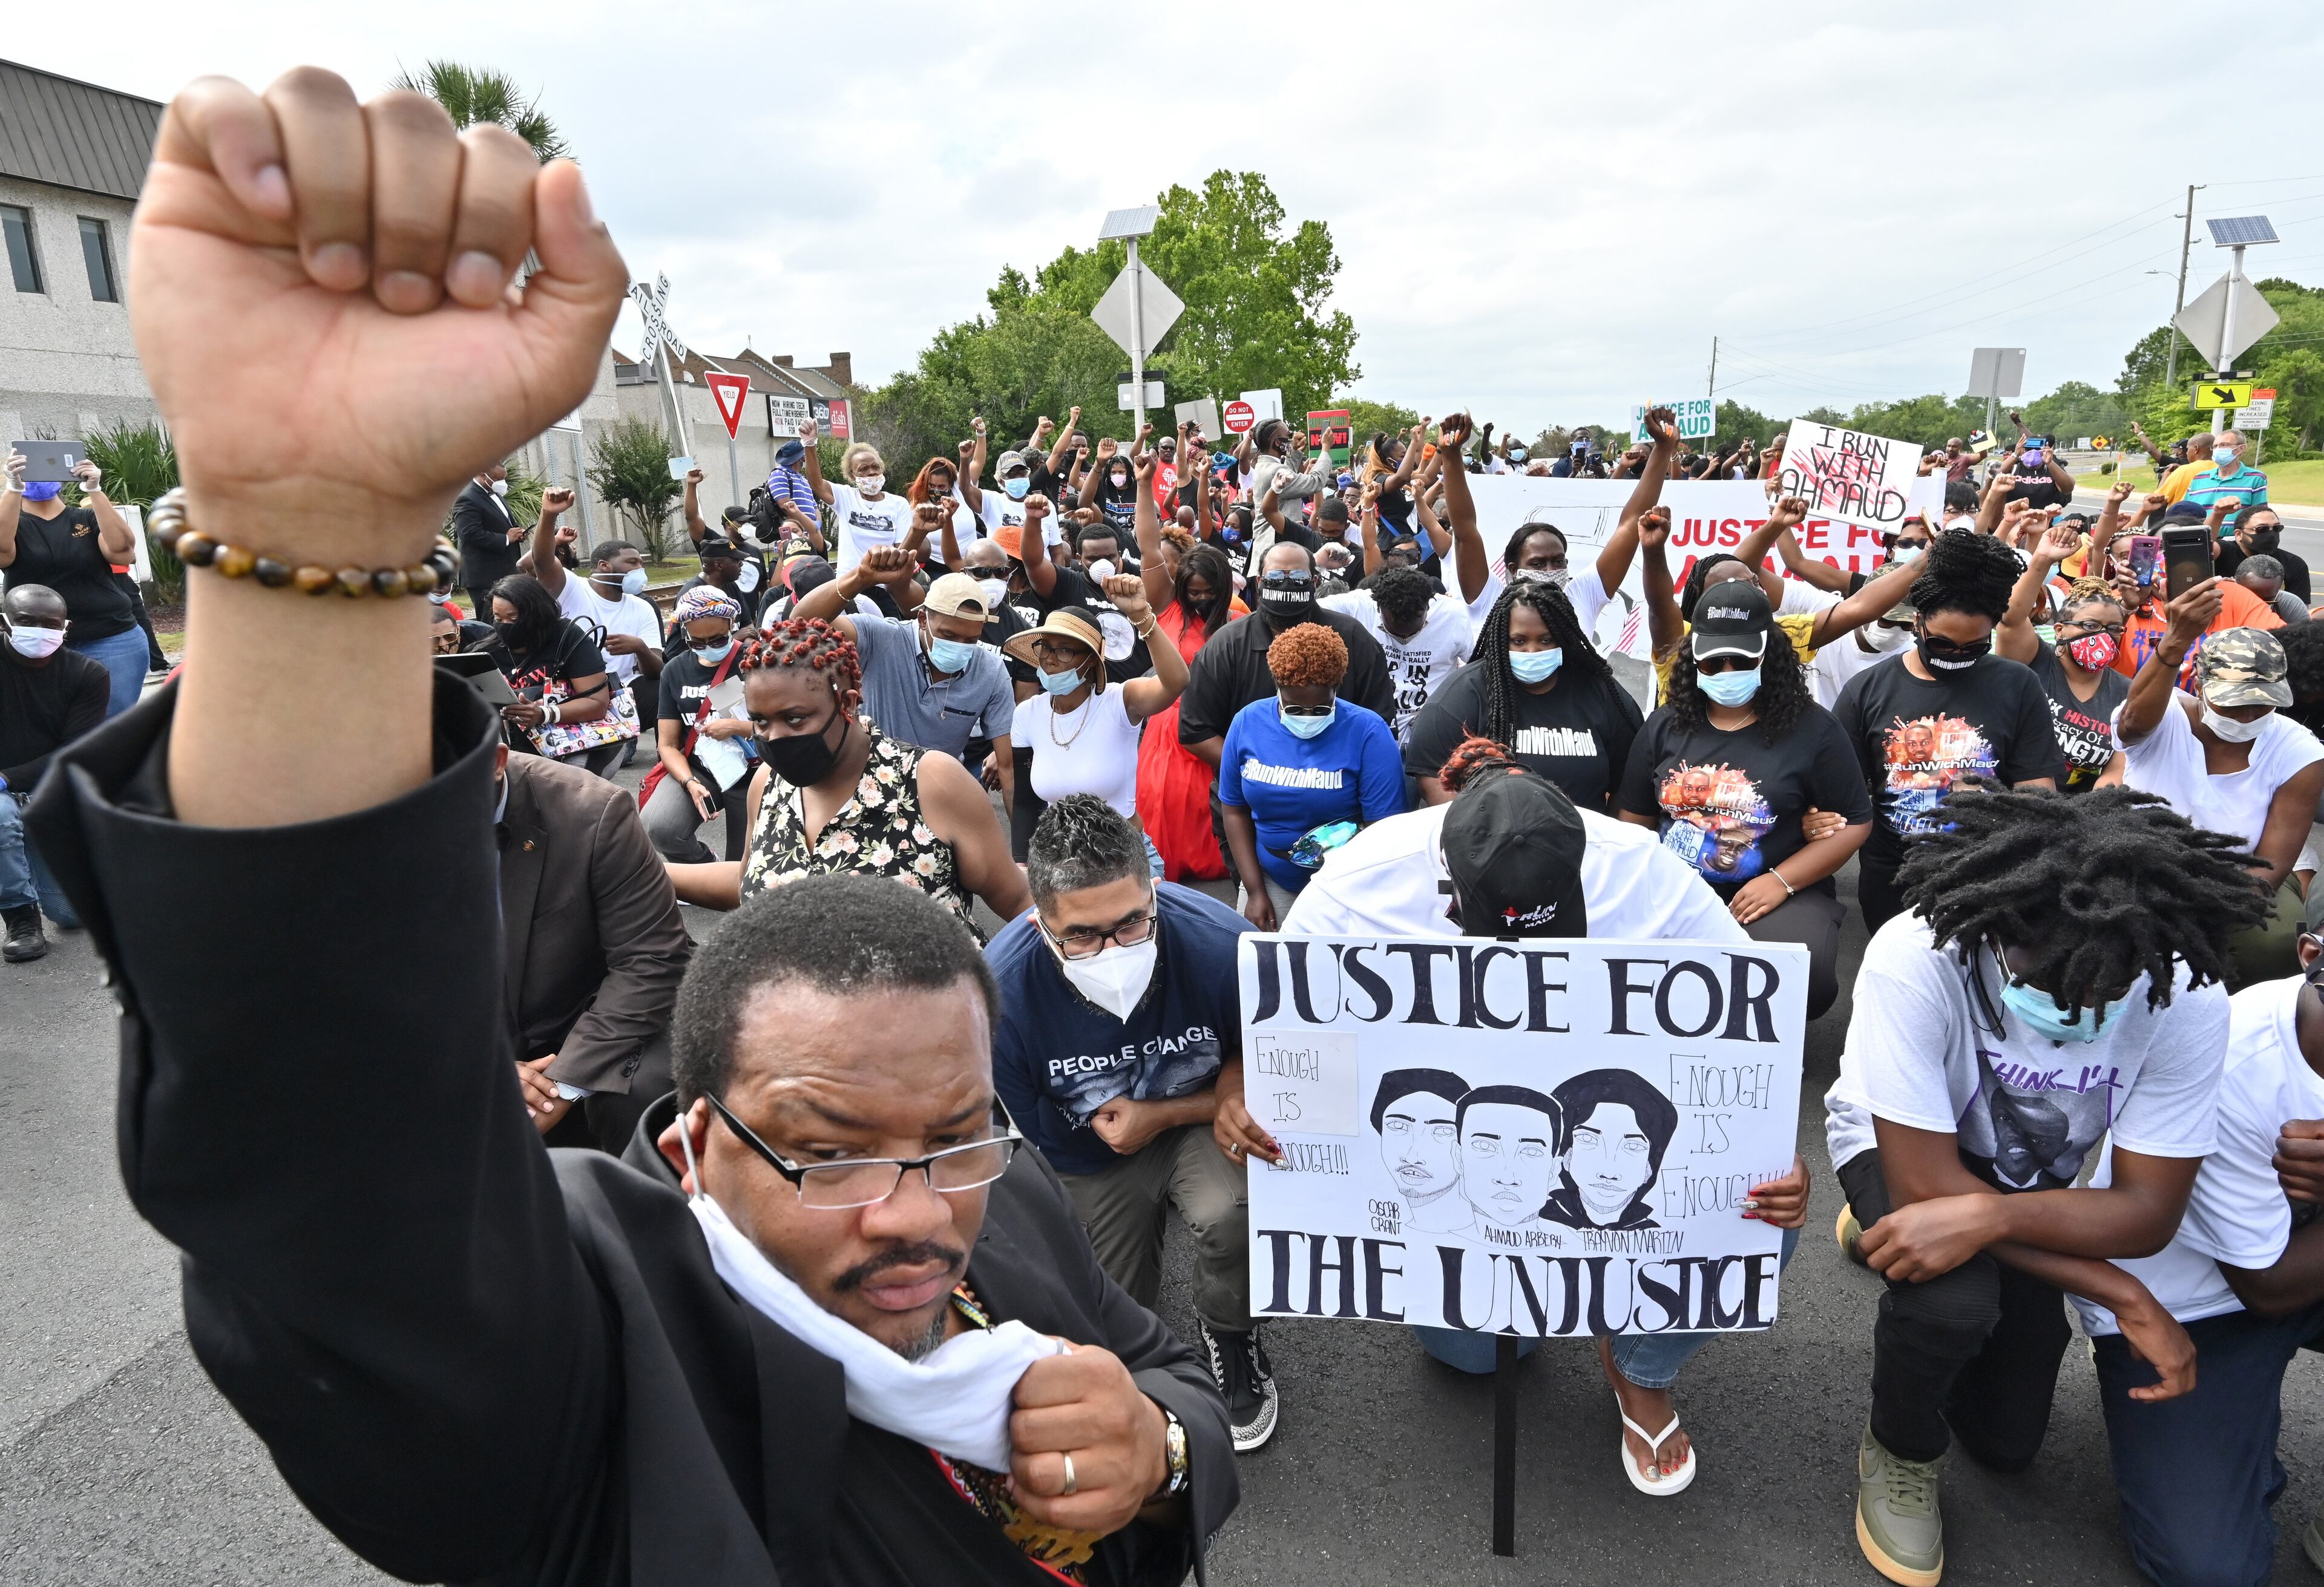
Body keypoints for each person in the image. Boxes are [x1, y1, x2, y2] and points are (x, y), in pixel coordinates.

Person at [29, 72, 1233, 1582]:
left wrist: (1162, 1442)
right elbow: (335, 1183)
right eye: (826, 1148)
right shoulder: (610, 1368)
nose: (917, 1209)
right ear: (692, 1143)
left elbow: (1161, 1364)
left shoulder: (1012, 1202)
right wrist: (308, 531)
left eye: (951, 1133)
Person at [1282, 740, 1805, 1491]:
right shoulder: (1360, 882)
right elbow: (1291, 1034)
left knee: (1763, 1214)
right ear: (1448, 885)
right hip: (1470, 1162)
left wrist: (1773, 1144)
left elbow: (1749, 1035)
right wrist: (1261, 1097)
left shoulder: (1647, 872)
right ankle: (1564, 1294)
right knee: (1475, 1356)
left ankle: (1638, 1365)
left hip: (1605, 1140)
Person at [1824, 784, 2269, 1587]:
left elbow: (2145, 1210)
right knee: (1952, 1300)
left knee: (2006, 1440)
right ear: (1997, 928)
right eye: (2045, 979)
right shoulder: (1918, 950)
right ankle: (1899, 1445)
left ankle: (1877, 1232)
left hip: (2026, 1183)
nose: (2070, 1008)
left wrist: (1991, 1217)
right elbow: (1929, 1184)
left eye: (2099, 990)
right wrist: (2123, 1295)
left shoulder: (2184, 990)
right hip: (1904, 1140)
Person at [988, 796, 1284, 1453]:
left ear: (1154, 891)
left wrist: (1189, 1105)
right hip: (1086, 1149)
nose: (1112, 949)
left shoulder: (1223, 945)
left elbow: (1275, 1055)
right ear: (1041, 925)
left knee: (1230, 1211)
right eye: (1083, 936)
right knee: (1106, 1319)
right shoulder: (999, 995)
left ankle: (1232, 1333)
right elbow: (1034, 1142)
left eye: (1131, 924)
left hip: (1194, 1122)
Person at [2078, 892, 2324, 1587]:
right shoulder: (2237, 1057)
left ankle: (2238, 1436)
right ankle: (2232, 1434)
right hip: (2191, 1307)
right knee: (2208, 1570)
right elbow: (2267, 1287)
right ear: (2312, 957)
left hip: (2297, 1263)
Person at [667, 617, 1032, 935]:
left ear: (849, 704)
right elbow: (748, 880)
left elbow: (1017, 900)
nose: (774, 738)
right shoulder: (766, 784)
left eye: (795, 719)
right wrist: (645, 870)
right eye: (760, 721)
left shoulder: (930, 781)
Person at [1616, 578, 1872, 1019]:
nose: (1728, 672)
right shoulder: (1663, 726)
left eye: (1742, 659)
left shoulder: (1815, 730)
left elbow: (1855, 821)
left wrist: (1782, 882)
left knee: (1801, 975)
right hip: (1675, 887)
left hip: (1780, 888)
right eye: (1714, 663)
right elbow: (1632, 821)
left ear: (1768, 655)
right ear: (1693, 658)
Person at [1833, 531, 2066, 931]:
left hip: (1992, 876)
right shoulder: (1866, 691)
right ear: (1917, 622)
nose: (1957, 656)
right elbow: (1841, 796)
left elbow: (2036, 788)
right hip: (1894, 882)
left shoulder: (2019, 685)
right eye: (1942, 645)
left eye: (1973, 648)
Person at [491, 733, 691, 1154]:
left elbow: (651, 958)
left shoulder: (593, 812)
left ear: (495, 762)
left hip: (585, 1019)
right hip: (472, 1037)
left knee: (644, 1091)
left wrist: (560, 1085)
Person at [2116, 597, 2324, 990]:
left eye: (2261, 705)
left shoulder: (2301, 751)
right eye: (2234, 704)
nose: (2247, 717)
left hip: (2235, 881)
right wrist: (2175, 641)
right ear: (2199, 685)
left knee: (2277, 944)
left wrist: (2190, 914)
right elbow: (2131, 723)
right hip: (2134, 865)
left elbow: (2268, 869)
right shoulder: (2164, 718)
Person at [1216, 623, 1404, 930]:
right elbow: (1234, 811)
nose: (1306, 718)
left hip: (1346, 884)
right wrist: (1254, 891)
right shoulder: (1247, 723)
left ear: (1336, 690)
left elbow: (1383, 830)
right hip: (1269, 880)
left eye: (1319, 709)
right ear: (1277, 688)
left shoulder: (1368, 733)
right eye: (1294, 708)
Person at [1401, 578, 1642, 813]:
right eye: (1519, 641)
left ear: (1564, 639)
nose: (1532, 651)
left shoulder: (1601, 693)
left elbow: (1631, 787)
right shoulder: (1464, 693)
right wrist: (1474, 831)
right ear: (1500, 640)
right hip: (1488, 847)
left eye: (1546, 640)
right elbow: (1430, 774)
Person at [790, 545, 1018, 787]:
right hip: (867, 782)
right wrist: (859, 578)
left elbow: (1007, 767)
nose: (960, 646)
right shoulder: (881, 637)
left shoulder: (991, 672)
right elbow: (801, 625)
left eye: (971, 640)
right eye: (948, 636)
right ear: (923, 620)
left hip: (937, 788)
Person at [1003, 589, 1187, 865]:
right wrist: (1022, 863)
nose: (1051, 659)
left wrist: (1143, 619)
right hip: (1061, 864)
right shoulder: (1027, 714)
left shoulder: (1120, 702)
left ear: (1090, 659)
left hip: (1125, 859)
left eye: (1065, 650)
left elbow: (1175, 682)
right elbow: (1027, 803)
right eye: (1045, 647)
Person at [0, 583, 107, 958]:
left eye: (50, 623)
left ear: (66, 627)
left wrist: (8, 778)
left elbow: (75, 753)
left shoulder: (88, 675)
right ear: (6, 623)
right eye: (27, 621)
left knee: (71, 914)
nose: (40, 630)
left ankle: (33, 853)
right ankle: (20, 916)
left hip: (50, 792)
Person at [1, 450, 146, 716]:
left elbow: (123, 550)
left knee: (111, 730)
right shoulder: (12, 525)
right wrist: (13, 488)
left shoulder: (86, 518)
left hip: (111, 638)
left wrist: (95, 490)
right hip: (39, 644)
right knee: (47, 728)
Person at [1993, 522, 2130, 794]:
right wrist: (2042, 560)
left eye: (2114, 629)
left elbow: (2118, 768)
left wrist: (2090, 813)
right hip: (2010, 800)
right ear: (2060, 630)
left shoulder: (2127, 692)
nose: (2102, 637)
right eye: (2090, 626)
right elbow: (2011, 621)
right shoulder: (2036, 661)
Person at [1137, 542, 1239, 884]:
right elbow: (1149, 551)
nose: (1201, 598)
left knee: (1206, 800)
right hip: (1169, 720)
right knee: (1165, 798)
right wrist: (1144, 485)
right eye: (1194, 592)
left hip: (1216, 722)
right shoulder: (1167, 608)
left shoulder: (1236, 621)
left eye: (1210, 591)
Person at [525, 500, 666, 745]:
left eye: (641, 564)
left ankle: (627, 739)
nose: (640, 570)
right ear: (604, 565)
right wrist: (549, 516)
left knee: (664, 687)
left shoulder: (643, 607)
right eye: (632, 563)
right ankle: (611, 739)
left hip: (619, 693)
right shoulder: (571, 586)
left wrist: (640, 648)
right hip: (572, 692)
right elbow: (541, 561)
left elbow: (656, 671)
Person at [641, 586, 756, 864]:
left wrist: (738, 728)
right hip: (702, 767)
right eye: (698, 642)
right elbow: (667, 745)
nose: (710, 648)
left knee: (743, 866)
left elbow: (785, 727)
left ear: (732, 626)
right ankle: (704, 866)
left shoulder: (756, 660)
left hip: (754, 771)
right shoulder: (675, 670)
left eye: (718, 640)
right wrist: (689, 782)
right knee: (659, 827)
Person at [485, 572, 629, 777]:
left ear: (535, 615)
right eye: (498, 618)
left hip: (584, 739)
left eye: (513, 618)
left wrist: (544, 713)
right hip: (518, 746)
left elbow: (598, 703)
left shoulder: (567, 637)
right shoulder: (489, 649)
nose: (504, 625)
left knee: (569, 788)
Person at [1323, 562, 1471, 741]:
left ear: (1428, 608)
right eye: (1394, 632)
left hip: (1432, 732)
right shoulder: (1358, 605)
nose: (1405, 638)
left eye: (1414, 631)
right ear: (1378, 607)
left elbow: (1480, 667)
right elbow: (1306, 610)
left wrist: (1449, 709)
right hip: (1371, 730)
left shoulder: (1453, 615)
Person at [799, 423, 917, 569]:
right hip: (850, 583)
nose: (872, 472)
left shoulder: (899, 503)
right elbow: (817, 484)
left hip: (885, 583)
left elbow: (902, 549)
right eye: (863, 469)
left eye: (876, 467)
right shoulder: (845, 496)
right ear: (852, 476)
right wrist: (810, 445)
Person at [448, 457, 522, 621]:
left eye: (504, 479)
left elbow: (503, 524)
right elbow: (469, 534)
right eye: (497, 479)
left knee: (509, 620)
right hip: (484, 576)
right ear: (482, 474)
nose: (502, 483)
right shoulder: (467, 498)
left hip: (505, 571)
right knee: (490, 623)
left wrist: (517, 534)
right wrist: (505, 539)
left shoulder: (496, 495)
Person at [2214, 503, 2308, 604]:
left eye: (2277, 528)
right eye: (2262, 529)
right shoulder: (2224, 552)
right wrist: (2218, 516)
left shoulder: (2295, 564)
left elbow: (2299, 613)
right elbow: (2204, 548)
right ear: (2239, 535)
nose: (2271, 535)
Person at [2181, 428, 2267, 517]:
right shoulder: (2199, 478)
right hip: (2202, 531)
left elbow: (2260, 517)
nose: (2218, 450)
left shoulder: (2255, 478)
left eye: (2224, 445)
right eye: (2215, 446)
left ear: (2241, 449)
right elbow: (2185, 513)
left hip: (2236, 531)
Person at [2232, 553, 2309, 626]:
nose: (2258, 605)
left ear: (2280, 588)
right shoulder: (2222, 602)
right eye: (2251, 599)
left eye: (2268, 601)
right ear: (2235, 584)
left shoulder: (2290, 606)